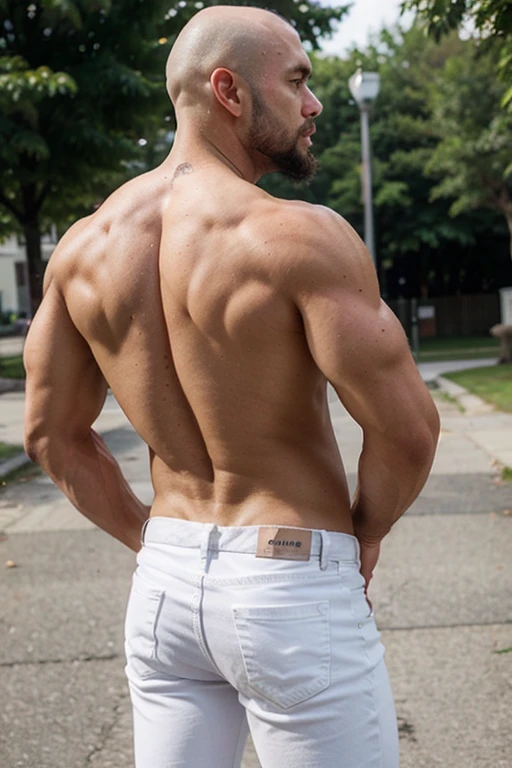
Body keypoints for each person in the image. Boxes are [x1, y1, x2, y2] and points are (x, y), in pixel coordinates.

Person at [23, 5, 440, 767]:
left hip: (165, 588)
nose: (314, 105)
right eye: (298, 82)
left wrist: (151, 539)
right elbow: (408, 430)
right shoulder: (298, 236)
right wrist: (365, 534)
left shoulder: (83, 248)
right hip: (289, 585)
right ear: (230, 90)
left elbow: (51, 437)